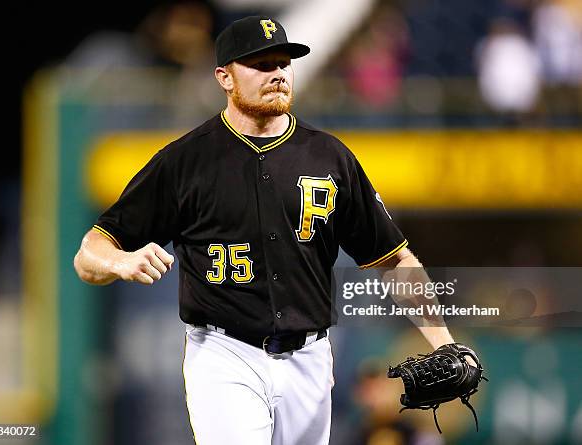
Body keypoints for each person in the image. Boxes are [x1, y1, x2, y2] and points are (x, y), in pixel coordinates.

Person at [74, 15, 463, 445]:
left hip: (311, 357)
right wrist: (121, 260)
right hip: (225, 355)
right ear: (225, 77)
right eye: (260, 64)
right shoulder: (185, 162)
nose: (277, 73)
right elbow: (89, 252)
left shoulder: (329, 157)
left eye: (283, 62)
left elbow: (395, 260)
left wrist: (443, 342)